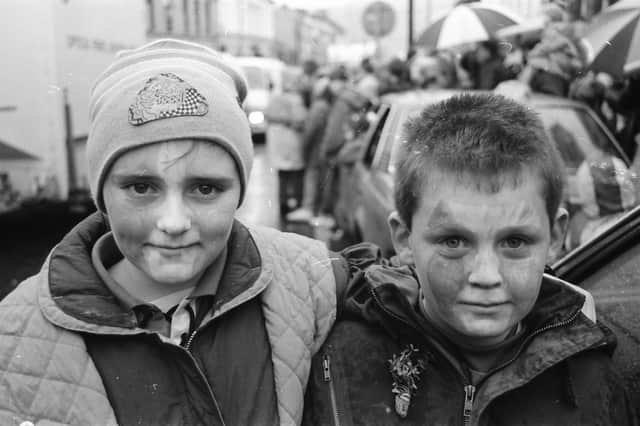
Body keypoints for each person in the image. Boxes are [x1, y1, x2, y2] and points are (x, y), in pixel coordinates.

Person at [0, 39, 353, 426]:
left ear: (239, 193)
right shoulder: (14, 335)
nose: (173, 222)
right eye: (141, 187)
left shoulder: (316, 280)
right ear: (101, 195)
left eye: (205, 189)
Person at [304, 93, 636, 425]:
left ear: (556, 236)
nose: (486, 275)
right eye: (454, 241)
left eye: (515, 241)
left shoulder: (592, 385)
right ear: (404, 238)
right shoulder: (340, 359)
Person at [264, 73, 308, 218]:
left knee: (282, 176)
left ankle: (283, 204)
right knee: (296, 176)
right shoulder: (296, 100)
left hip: (278, 144)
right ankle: (296, 204)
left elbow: (268, 116)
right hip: (292, 143)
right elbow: (300, 121)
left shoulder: (275, 98)